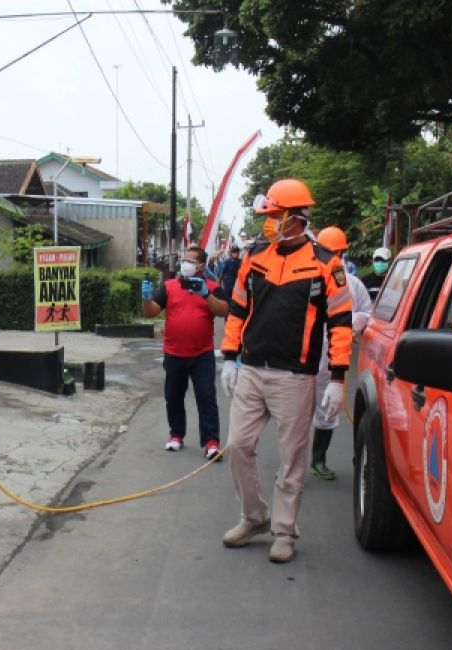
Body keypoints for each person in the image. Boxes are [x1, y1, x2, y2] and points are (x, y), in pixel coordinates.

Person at [218, 179, 353, 563]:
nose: (269, 222)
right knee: (239, 445)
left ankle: (284, 531)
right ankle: (254, 516)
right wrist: (230, 356)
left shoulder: (327, 263)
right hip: (252, 369)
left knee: (292, 457)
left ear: (297, 218)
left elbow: (341, 324)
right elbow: (238, 309)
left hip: (296, 376)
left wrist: (338, 378)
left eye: (276, 216)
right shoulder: (255, 255)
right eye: (269, 215)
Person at [141, 245, 230, 459]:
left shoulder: (212, 286)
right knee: (174, 397)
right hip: (174, 352)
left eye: (190, 261)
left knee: (206, 397)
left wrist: (206, 294)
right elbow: (153, 312)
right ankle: (176, 435)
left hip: (202, 354)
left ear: (200, 265)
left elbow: (224, 310)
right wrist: (146, 298)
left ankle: (211, 442)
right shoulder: (170, 286)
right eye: (184, 260)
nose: (185, 264)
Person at [308, 227, 372, 480]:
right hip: (304, 356)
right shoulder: (308, 280)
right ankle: (291, 463)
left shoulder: (353, 284)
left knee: (328, 409)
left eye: (337, 253)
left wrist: (351, 321)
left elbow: (367, 313)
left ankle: (318, 459)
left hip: (335, 357)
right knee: (296, 412)